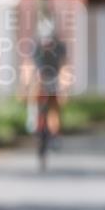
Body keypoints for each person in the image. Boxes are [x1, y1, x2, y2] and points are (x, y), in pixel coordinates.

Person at [27, 17, 70, 145]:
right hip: (39, 76)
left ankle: (55, 134)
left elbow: (64, 67)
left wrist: (64, 87)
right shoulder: (35, 45)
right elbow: (29, 65)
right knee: (34, 91)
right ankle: (32, 118)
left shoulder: (60, 47)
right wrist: (27, 83)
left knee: (55, 106)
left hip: (54, 77)